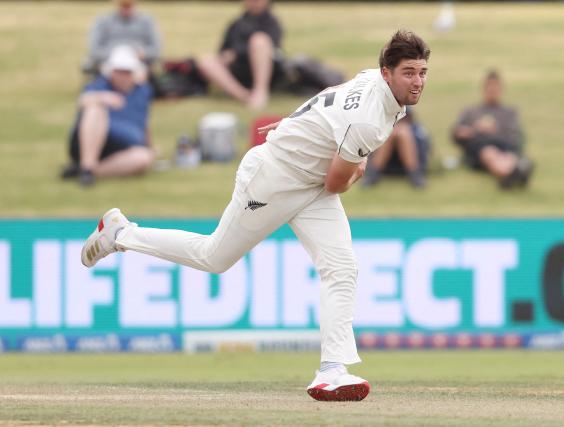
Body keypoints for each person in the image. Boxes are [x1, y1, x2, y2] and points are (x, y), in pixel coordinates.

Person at [80, 30, 430, 401]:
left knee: (342, 268)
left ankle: (331, 371)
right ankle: (120, 234)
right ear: (386, 73)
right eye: (408, 72)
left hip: (309, 182)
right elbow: (336, 182)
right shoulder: (368, 118)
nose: (418, 81)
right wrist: (358, 167)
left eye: (423, 71)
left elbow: (327, 104)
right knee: (214, 257)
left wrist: (294, 125)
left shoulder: (373, 83)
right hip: (274, 178)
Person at [62, 45, 154, 186]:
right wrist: (102, 98)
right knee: (95, 110)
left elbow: (144, 120)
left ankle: (88, 171)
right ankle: (87, 165)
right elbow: (83, 101)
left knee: (144, 156)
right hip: (93, 139)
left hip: (124, 146)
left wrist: (149, 146)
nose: (123, 76)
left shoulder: (142, 91)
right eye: (119, 71)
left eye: (127, 72)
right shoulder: (100, 86)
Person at [451, 69, 533, 189]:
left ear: (501, 90)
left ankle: (511, 174)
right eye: (490, 87)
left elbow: (516, 136)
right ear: (484, 89)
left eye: (495, 88)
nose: (492, 91)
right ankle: (511, 174)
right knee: (490, 153)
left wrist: (496, 129)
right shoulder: (471, 112)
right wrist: (476, 129)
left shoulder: (509, 112)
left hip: (506, 146)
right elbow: (456, 133)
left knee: (508, 155)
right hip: (480, 147)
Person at [196, 0, 284, 109]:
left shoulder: (271, 23)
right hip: (238, 71)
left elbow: (274, 50)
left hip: (266, 72)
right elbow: (223, 51)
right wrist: (226, 56)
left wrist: (237, 53)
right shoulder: (236, 24)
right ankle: (244, 96)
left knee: (259, 40)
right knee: (206, 60)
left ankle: (260, 92)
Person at [85, 0, 162, 74]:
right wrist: (114, 54)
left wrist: (143, 54)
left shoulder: (146, 21)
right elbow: (94, 50)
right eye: (123, 5)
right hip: (109, 62)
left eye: (129, 5)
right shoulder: (103, 21)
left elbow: (156, 50)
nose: (126, 9)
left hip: (138, 63)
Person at [361, 107, 430, 188]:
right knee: (391, 132)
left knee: (402, 132)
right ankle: (372, 175)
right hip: (386, 166)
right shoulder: (379, 130)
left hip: (407, 167)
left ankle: (415, 175)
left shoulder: (416, 131)